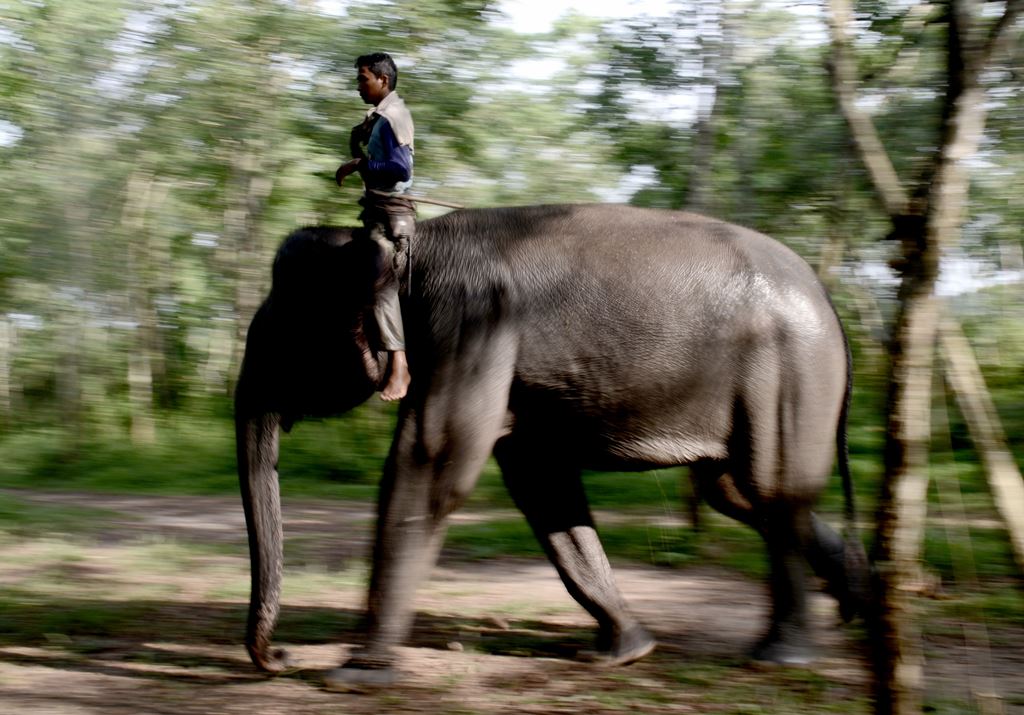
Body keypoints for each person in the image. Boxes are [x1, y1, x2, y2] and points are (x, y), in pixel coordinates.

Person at [336, 52, 415, 401]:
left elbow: (401, 170)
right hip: (377, 212)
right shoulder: (381, 117)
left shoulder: (393, 117)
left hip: (390, 218)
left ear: (382, 80)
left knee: (378, 276)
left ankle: (399, 364)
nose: (357, 86)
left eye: (362, 78)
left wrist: (360, 164)